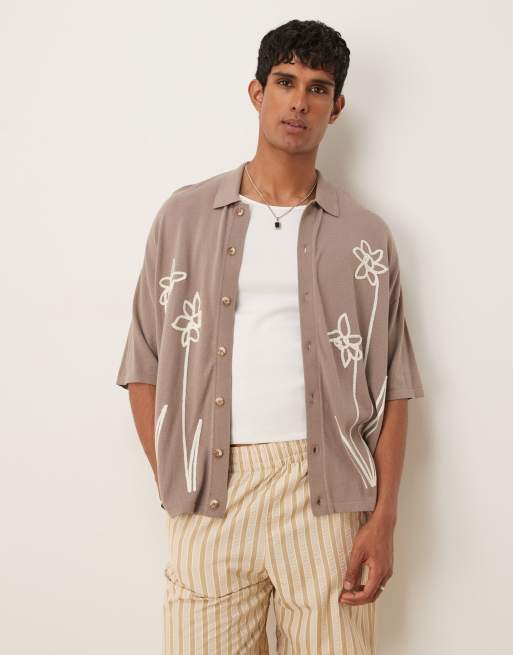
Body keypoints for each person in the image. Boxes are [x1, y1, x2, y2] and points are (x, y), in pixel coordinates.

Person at [116, 18, 425, 654]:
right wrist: (174, 475)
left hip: (325, 500)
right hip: (211, 495)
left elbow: (394, 384)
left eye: (318, 88)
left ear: (336, 107)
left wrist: (384, 518)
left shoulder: (364, 235)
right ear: (257, 93)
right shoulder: (184, 218)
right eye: (285, 82)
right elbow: (143, 362)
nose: (299, 102)